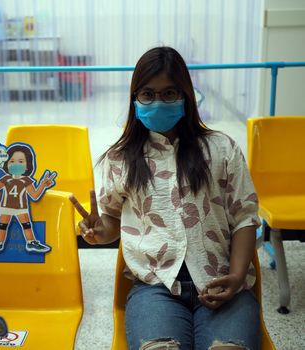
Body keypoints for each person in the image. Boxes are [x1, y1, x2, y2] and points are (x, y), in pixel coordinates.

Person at [70, 47, 260, 350]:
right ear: (135, 99)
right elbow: (112, 222)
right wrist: (97, 231)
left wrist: (237, 277)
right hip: (154, 288)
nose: (158, 102)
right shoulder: (119, 159)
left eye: (169, 93)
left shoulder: (222, 149)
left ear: (186, 95)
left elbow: (245, 218)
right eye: (147, 94)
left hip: (222, 282)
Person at [0, 144, 56, 253]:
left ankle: (31, 242)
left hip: (21, 208)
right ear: (7, 164)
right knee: (2, 226)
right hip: (5, 206)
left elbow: (35, 195)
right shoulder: (5, 179)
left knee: (27, 226)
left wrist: (42, 185)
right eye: (12, 161)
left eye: (21, 161)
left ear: (27, 165)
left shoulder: (26, 181)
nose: (16, 164)